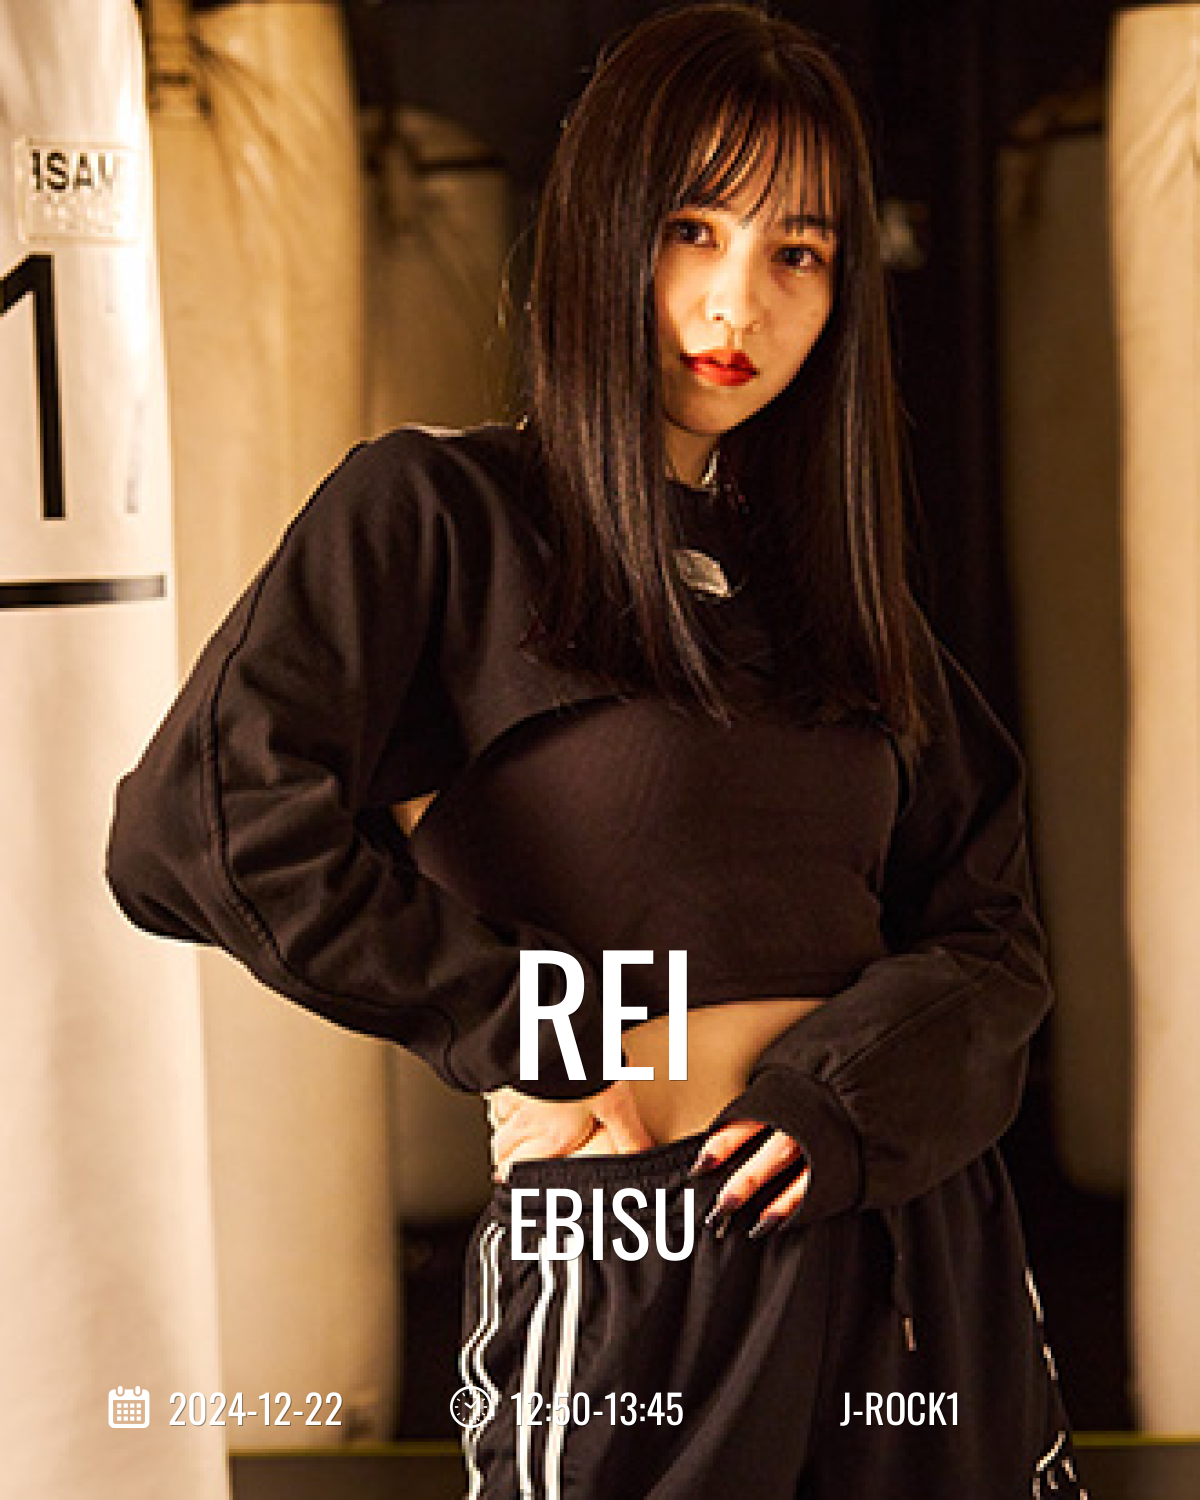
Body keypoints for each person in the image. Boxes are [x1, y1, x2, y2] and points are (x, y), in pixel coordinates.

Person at [106, 5, 1089, 1496]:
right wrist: (529, 1032)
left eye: (798, 253)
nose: (737, 301)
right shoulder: (445, 515)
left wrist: (841, 1100)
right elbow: (199, 819)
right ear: (603, 227)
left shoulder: (837, 598)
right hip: (641, 1243)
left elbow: (995, 937)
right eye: (692, 231)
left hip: (918, 1253)